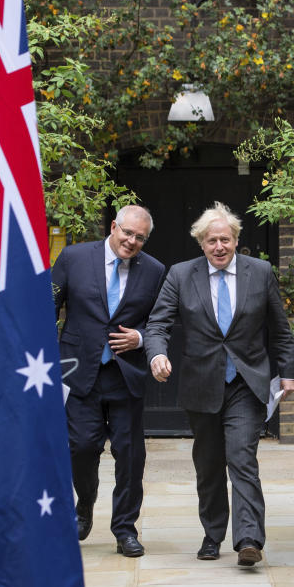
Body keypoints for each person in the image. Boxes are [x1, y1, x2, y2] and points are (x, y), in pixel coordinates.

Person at [145, 202, 294, 567]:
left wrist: (288, 371)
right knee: (209, 463)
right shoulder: (181, 275)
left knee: (241, 457)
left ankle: (248, 539)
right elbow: (157, 324)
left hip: (246, 382)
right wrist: (157, 355)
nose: (219, 246)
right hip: (201, 384)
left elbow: (280, 328)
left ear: (235, 240)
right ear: (201, 243)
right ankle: (212, 535)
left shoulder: (259, 273)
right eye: (212, 240)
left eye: (225, 240)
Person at [52, 205, 165, 558]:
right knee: (81, 448)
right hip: (79, 372)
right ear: (113, 226)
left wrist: (141, 338)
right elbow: (46, 306)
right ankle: (85, 503)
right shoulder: (73, 257)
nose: (132, 242)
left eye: (140, 238)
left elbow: (162, 321)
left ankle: (125, 530)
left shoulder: (155, 271)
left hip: (125, 375)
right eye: (127, 233)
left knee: (130, 456)